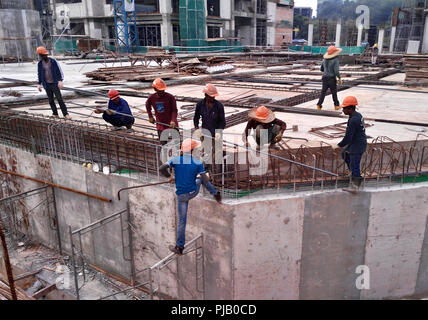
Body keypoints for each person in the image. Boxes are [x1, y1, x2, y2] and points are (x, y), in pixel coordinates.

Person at [160, 138, 222, 255]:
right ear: (193, 150)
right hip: (193, 192)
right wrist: (211, 187)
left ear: (183, 150)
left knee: (182, 222)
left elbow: (161, 168)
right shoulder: (198, 163)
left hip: (182, 196)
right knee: (200, 179)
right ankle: (216, 194)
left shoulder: (176, 160)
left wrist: (169, 177)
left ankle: (179, 247)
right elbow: (206, 181)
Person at [332, 96, 367, 191]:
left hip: (357, 145)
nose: (343, 110)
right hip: (356, 142)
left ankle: (355, 186)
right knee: (344, 154)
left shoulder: (353, 120)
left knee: (355, 164)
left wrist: (339, 145)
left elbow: (348, 137)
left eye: (344, 108)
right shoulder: (357, 115)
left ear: (351, 108)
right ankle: (352, 172)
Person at [36, 46, 71, 119]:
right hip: (47, 84)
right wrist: (39, 84)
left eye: (44, 55)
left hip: (54, 83)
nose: (43, 57)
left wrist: (60, 81)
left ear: (46, 55)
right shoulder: (40, 64)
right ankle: (55, 114)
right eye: (41, 56)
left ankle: (66, 114)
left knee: (59, 99)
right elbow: (39, 74)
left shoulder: (53, 61)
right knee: (51, 100)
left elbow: (59, 71)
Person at [146, 78, 178, 145]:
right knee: (163, 143)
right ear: (155, 89)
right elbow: (148, 106)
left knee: (176, 142)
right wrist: (150, 116)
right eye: (159, 90)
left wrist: (173, 120)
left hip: (171, 123)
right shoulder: (151, 98)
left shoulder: (170, 97)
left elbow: (174, 110)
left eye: (163, 90)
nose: (162, 92)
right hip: (160, 124)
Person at [316, 45, 343, 111]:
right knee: (334, 92)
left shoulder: (324, 60)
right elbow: (336, 71)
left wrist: (326, 70)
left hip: (324, 78)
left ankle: (319, 105)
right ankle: (336, 106)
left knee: (323, 92)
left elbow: (321, 69)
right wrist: (339, 77)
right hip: (331, 78)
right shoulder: (335, 60)